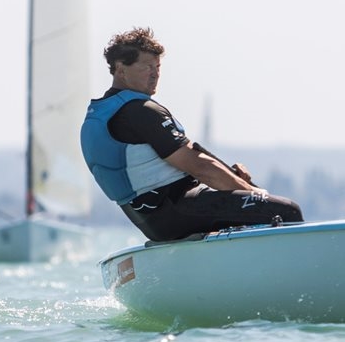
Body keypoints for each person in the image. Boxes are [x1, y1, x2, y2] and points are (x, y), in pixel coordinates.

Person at [80, 27, 304, 242]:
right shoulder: (140, 111)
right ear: (121, 69)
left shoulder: (98, 116)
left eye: (158, 66)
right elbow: (200, 166)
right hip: (177, 209)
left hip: (153, 223)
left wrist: (233, 179)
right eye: (147, 66)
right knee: (287, 211)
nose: (155, 74)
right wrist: (252, 191)